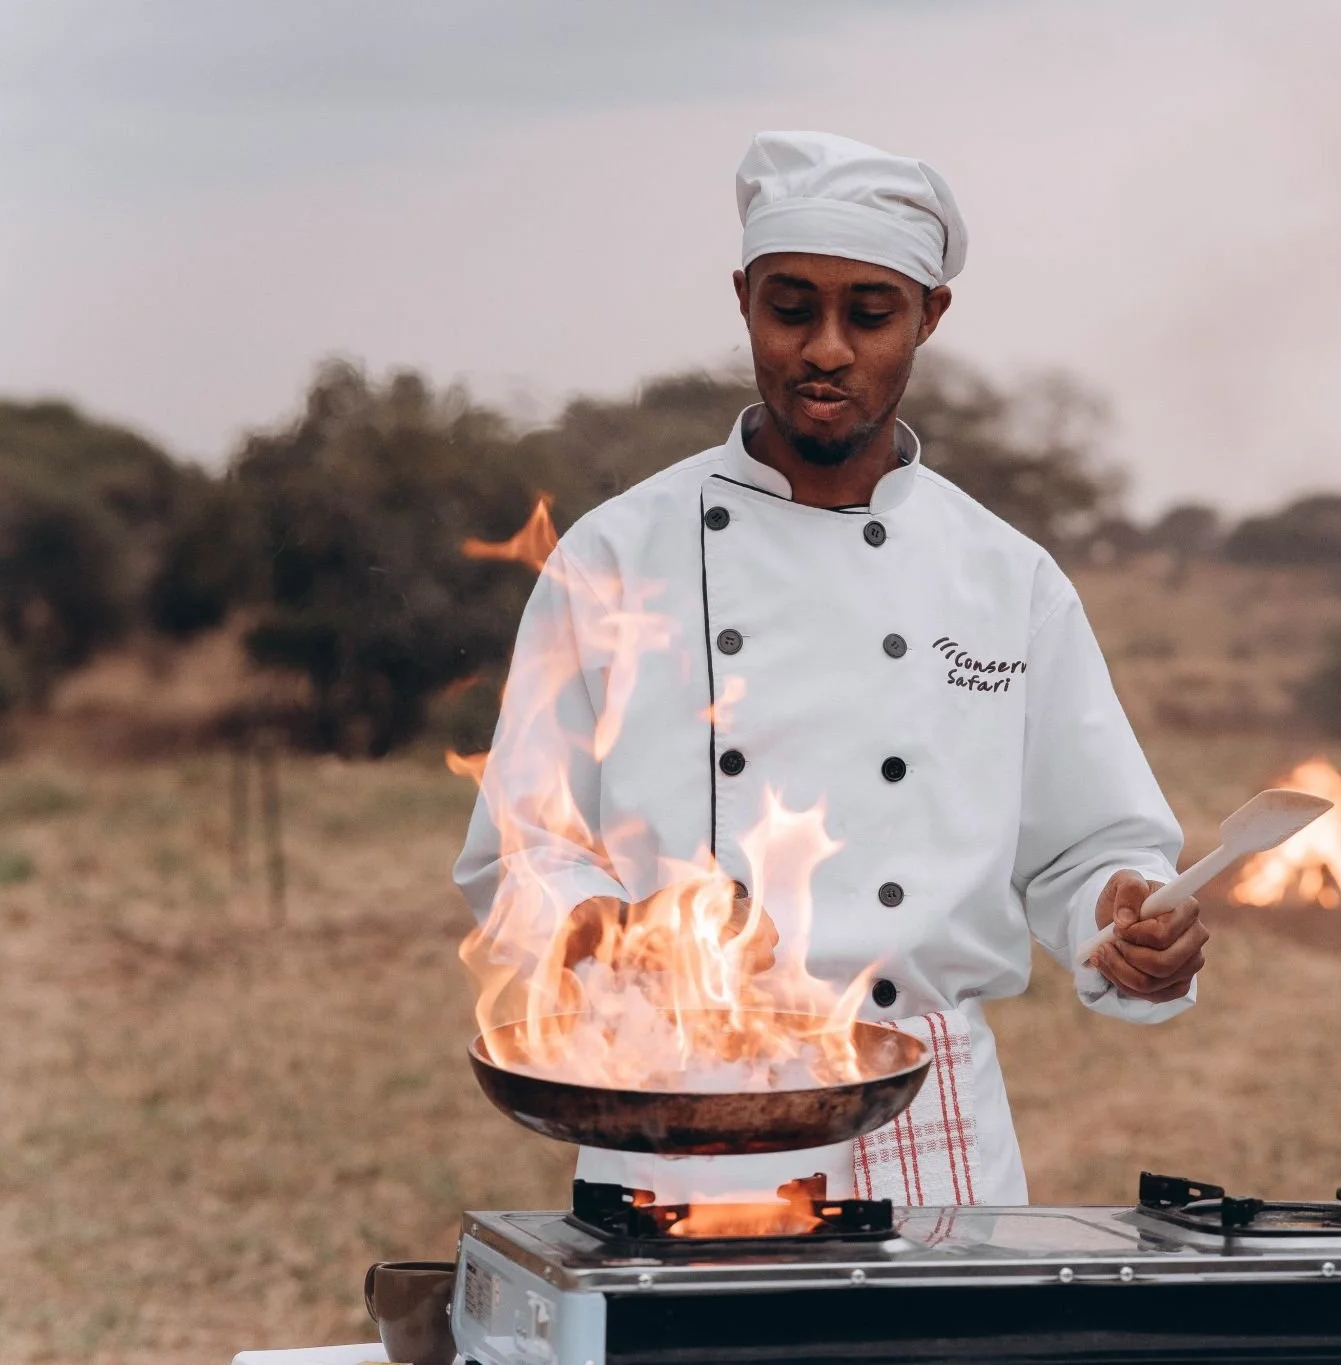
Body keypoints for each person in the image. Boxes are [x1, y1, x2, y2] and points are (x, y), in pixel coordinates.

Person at [455, 130, 1206, 1206]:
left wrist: (1124, 919)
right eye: (791, 308)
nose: (825, 350)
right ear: (742, 300)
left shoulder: (1005, 578)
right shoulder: (616, 557)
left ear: (929, 316)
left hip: (923, 1111)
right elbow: (524, 851)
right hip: (682, 1094)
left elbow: (1087, 852)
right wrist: (622, 937)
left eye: (870, 314)